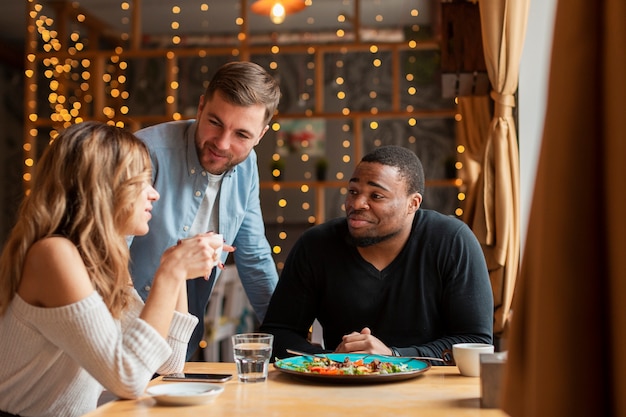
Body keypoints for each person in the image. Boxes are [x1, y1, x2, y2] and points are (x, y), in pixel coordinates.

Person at [0, 121, 227, 417]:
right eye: (142, 181)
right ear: (103, 188)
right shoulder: (54, 254)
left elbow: (169, 363)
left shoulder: (98, 259)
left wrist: (177, 272)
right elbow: (128, 379)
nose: (154, 194)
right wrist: (170, 274)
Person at [260, 145, 494, 363]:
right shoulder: (316, 245)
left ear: (413, 204)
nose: (357, 203)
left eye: (376, 196)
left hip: (431, 393)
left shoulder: (452, 241)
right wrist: (333, 361)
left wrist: (393, 356)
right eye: (353, 191)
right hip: (342, 390)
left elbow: (476, 342)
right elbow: (278, 333)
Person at [128, 61, 281, 359]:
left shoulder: (247, 165)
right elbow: (109, 254)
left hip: (185, 324)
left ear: (260, 136)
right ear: (200, 107)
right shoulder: (145, 153)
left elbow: (254, 256)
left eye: (241, 135)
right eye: (215, 122)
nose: (222, 144)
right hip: (128, 321)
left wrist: (288, 334)